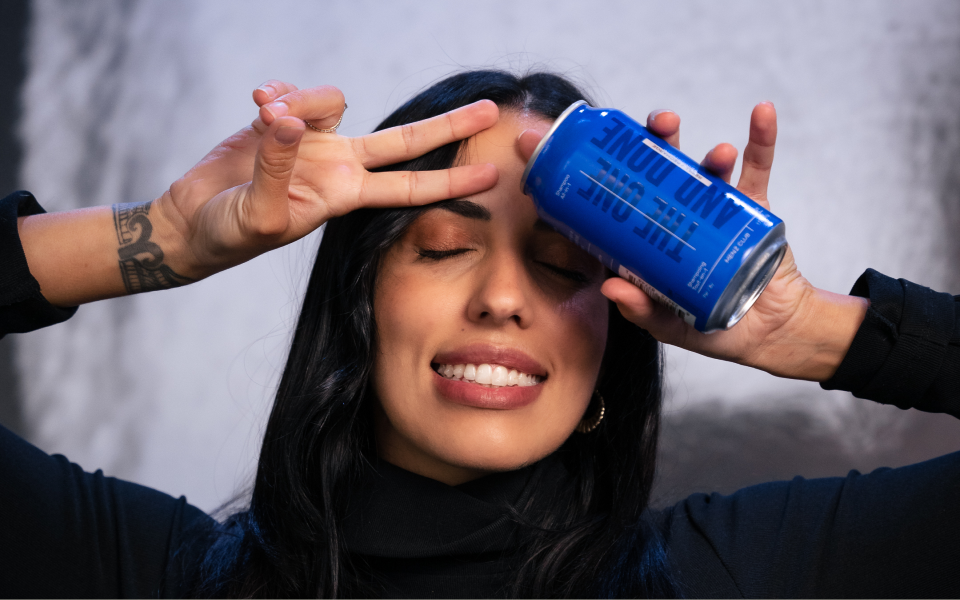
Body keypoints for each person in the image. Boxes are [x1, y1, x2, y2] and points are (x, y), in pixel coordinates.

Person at [0, 70, 957, 598]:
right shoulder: (146, 575)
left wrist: (810, 330)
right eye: (444, 249)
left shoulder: (742, 574)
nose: (502, 298)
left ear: (615, 334)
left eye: (564, 265)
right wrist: (163, 237)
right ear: (360, 301)